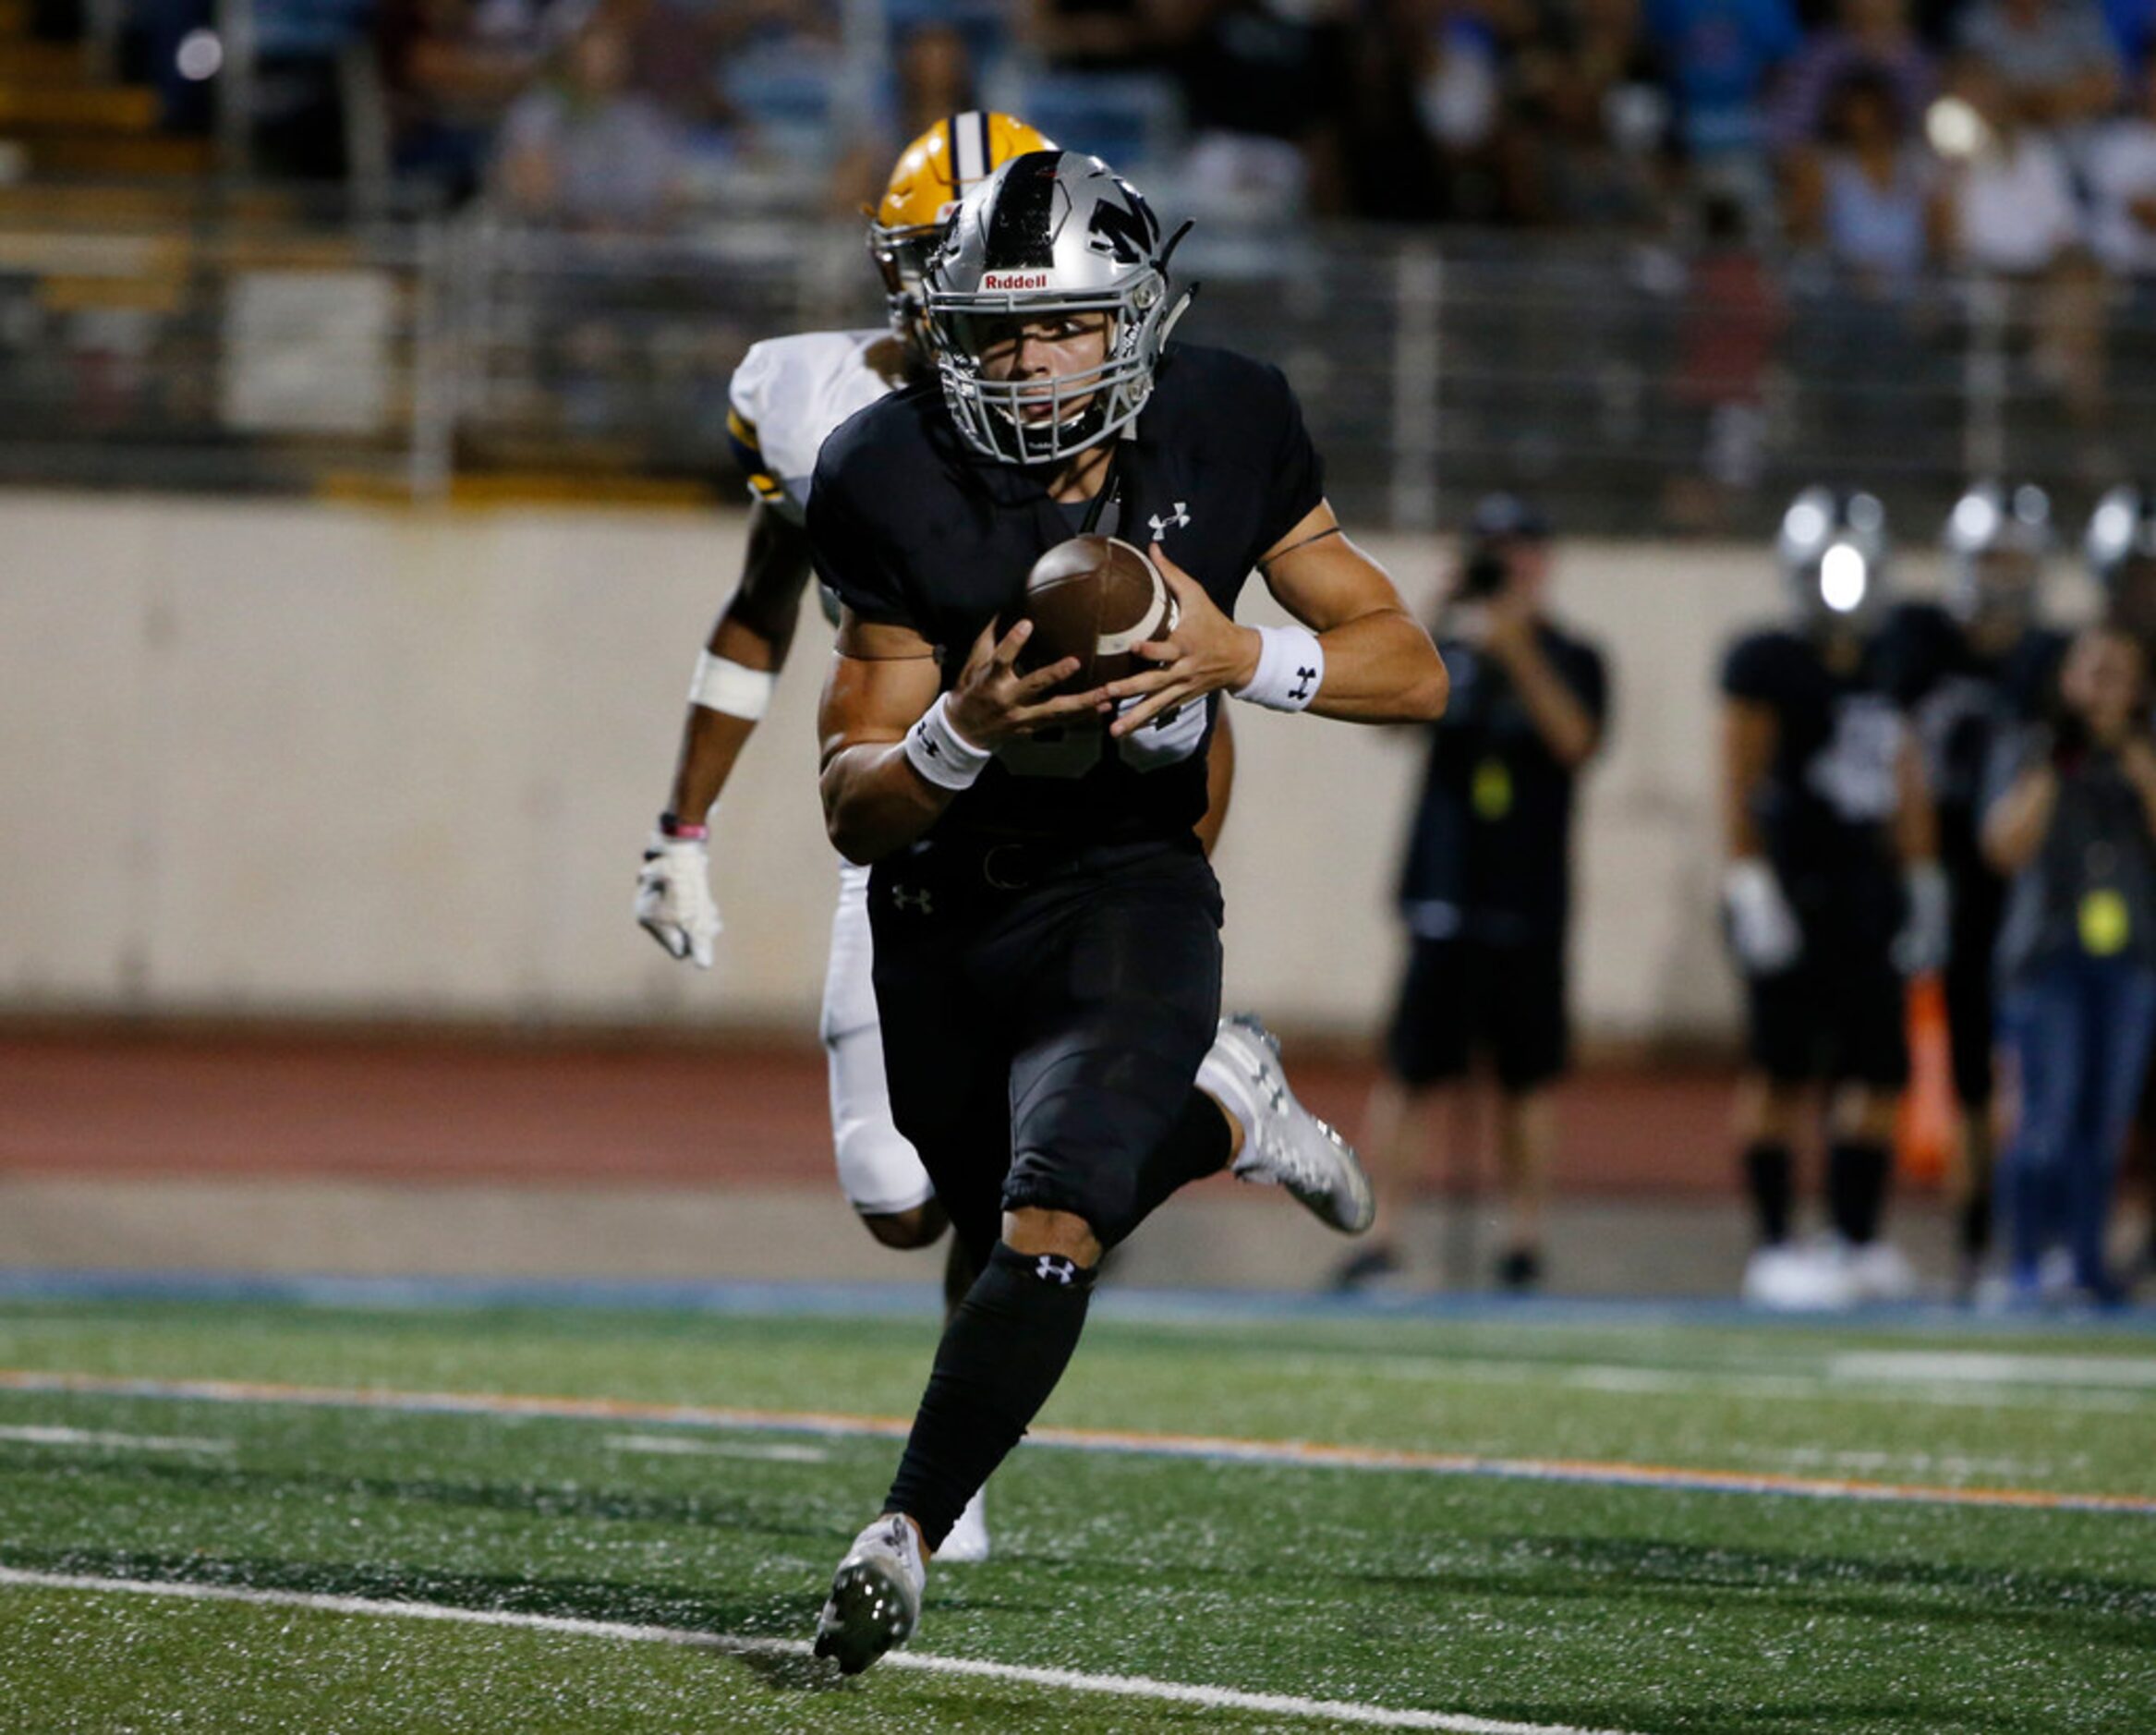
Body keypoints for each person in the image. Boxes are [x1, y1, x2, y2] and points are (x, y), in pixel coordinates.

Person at [805, 149, 1447, 1674]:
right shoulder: (886, 470)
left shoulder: (1225, 421)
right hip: (941, 895)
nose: (1029, 365)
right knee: (949, 1213)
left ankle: (894, 1531)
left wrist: (1253, 660)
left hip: (1131, 884)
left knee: (1054, 1218)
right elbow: (849, 797)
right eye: (998, 333)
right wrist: (953, 732)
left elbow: (1409, 664)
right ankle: (1225, 1107)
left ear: (1134, 323)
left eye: (1066, 327)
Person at [1338, 495, 1607, 1294]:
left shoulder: (1573, 655)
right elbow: (1388, 716)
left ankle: (1524, 1240)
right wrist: (1427, 619)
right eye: (1491, 550)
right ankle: (1381, 1235)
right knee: (1415, 1073)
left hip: (1529, 897)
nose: (1507, 565)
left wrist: (1518, 648)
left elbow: (1576, 741)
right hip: (1444, 893)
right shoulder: (1446, 652)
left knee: (1528, 1079)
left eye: (1520, 549)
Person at [1719, 488, 1945, 1309]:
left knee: (1878, 1072)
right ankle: (1775, 1247)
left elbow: (1906, 772)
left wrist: (1922, 878)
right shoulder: (1769, 660)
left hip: (1867, 890)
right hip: (1792, 886)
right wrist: (1747, 879)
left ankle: (1855, 1237)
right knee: (1781, 1070)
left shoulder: (1896, 658)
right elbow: (1739, 777)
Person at [1882, 483, 2068, 1298]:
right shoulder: (1918, 638)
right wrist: (1918, 870)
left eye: (2014, 560)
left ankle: (2040, 1240)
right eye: (1989, 558)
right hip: (1949, 872)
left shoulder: (2050, 655)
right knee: (1966, 1075)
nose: (2000, 577)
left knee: (2040, 1065)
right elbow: (1894, 750)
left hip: (2034, 882)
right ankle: (1970, 1241)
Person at [1981, 623, 2156, 1307]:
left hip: (2129, 960)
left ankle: (2087, 1264)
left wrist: (2133, 754)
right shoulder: (2032, 749)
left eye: (2120, 673)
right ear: (2067, 678)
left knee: (2103, 1125)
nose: (2103, 687)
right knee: (2044, 1121)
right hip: (2048, 960)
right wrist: (2056, 766)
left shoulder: (2141, 755)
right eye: (2093, 671)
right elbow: (2003, 845)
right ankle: (2027, 1261)